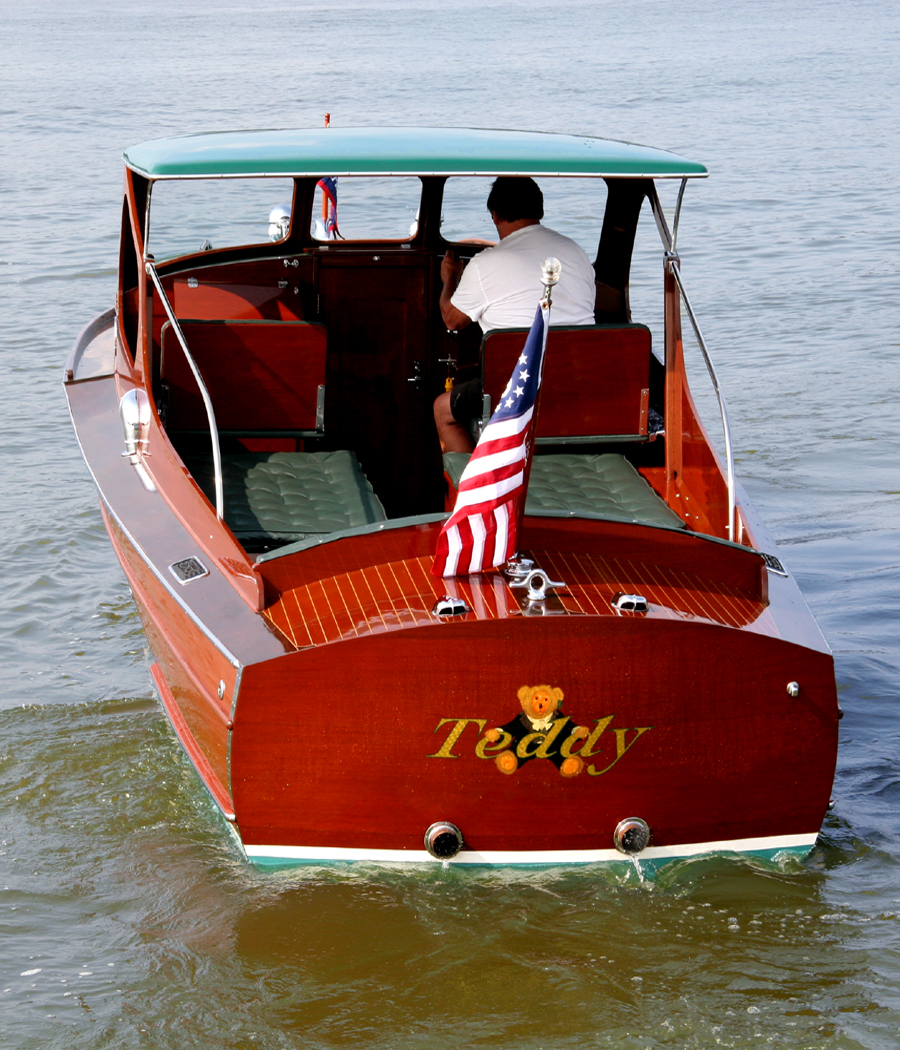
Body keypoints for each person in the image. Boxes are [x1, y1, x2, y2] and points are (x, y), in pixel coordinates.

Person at [434, 177, 596, 453]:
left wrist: (450, 279)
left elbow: (452, 319)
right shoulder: (576, 253)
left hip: (515, 389)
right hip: (578, 381)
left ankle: (468, 489)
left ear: (495, 216)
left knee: (442, 410)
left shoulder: (485, 263)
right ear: (540, 211)